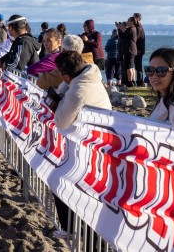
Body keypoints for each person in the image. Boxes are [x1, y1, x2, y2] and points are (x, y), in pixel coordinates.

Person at [51, 50, 112, 239]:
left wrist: (57, 103)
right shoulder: (88, 75)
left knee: (58, 181)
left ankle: (72, 230)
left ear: (67, 76)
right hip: (96, 142)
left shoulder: (78, 92)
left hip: (92, 148)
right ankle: (74, 229)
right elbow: (64, 88)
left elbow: (61, 121)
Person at [116, 17, 138, 87]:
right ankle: (133, 81)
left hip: (129, 50)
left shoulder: (131, 29)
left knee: (129, 67)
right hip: (132, 49)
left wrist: (119, 28)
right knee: (132, 66)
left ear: (132, 22)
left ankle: (129, 81)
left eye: (128, 20)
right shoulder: (133, 29)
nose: (127, 22)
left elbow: (122, 35)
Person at [133, 13, 146, 86]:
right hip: (139, 49)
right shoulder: (139, 27)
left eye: (134, 18)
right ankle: (139, 81)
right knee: (138, 66)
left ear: (137, 18)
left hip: (138, 50)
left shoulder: (138, 27)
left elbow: (135, 38)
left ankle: (140, 81)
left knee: (138, 66)